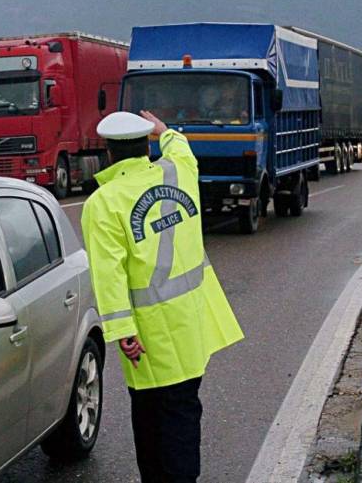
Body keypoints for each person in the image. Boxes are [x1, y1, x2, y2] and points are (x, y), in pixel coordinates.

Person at [81, 110, 244, 482]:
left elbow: (109, 275)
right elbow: (183, 150)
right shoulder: (179, 173)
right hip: (192, 325)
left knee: (158, 427)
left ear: (108, 153)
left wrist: (122, 331)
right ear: (145, 146)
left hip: (150, 337)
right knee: (179, 416)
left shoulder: (104, 203)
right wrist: (165, 130)